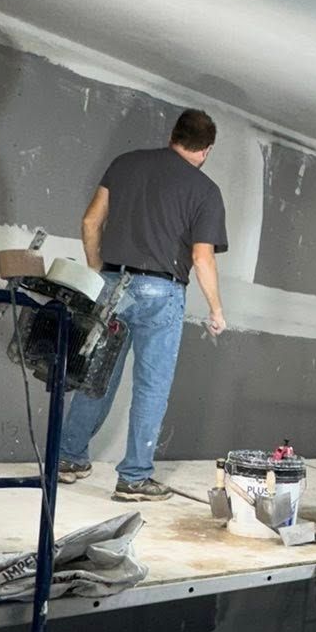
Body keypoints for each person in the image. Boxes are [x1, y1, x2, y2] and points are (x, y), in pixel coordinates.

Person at [57, 109, 228, 500]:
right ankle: (133, 478)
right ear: (206, 150)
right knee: (152, 387)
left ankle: (68, 458)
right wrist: (216, 310)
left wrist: (98, 271)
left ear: (173, 136)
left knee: (97, 376)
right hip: (161, 292)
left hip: (112, 284)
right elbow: (202, 258)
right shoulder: (205, 191)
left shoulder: (125, 163)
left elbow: (90, 222)